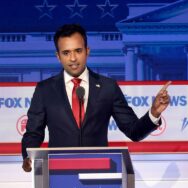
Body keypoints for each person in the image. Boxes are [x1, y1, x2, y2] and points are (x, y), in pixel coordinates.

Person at [21, 24, 171, 172]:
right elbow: (34, 133)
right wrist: (28, 157)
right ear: (58, 56)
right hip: (58, 174)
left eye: (78, 51)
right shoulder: (45, 90)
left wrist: (154, 113)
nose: (73, 58)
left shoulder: (108, 87)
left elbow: (134, 131)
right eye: (66, 53)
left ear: (87, 51)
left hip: (99, 174)